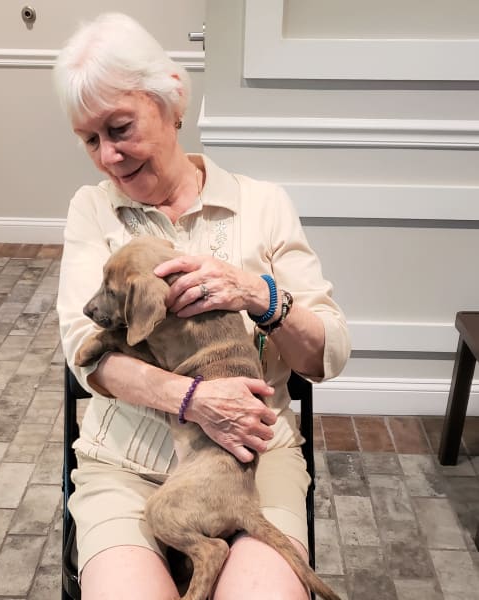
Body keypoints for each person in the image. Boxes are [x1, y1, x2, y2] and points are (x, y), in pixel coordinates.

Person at [54, 12, 350, 600]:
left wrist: (257, 295)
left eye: (120, 127)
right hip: (125, 460)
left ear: (172, 99)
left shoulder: (262, 205)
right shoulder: (92, 210)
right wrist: (192, 400)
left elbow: (329, 353)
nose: (109, 156)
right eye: (91, 140)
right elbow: (84, 357)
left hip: (251, 457)